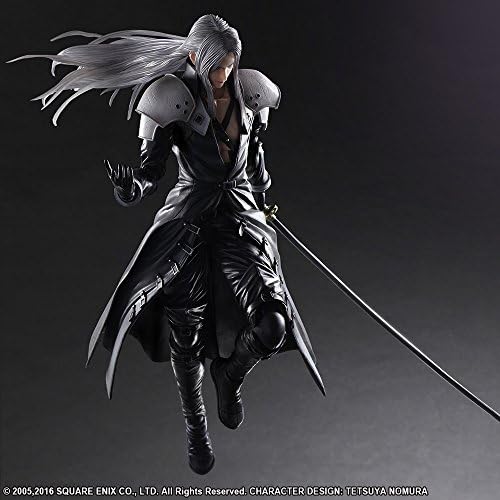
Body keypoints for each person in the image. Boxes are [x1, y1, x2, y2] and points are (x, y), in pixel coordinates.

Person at [11, 14, 324, 475]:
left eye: (231, 64)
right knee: (186, 336)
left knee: (274, 322)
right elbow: (150, 171)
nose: (225, 75)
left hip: (239, 222)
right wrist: (130, 188)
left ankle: (230, 375)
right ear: (197, 58)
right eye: (218, 66)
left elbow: (256, 160)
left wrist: (262, 198)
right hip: (189, 225)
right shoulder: (170, 97)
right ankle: (196, 428)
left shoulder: (251, 92)